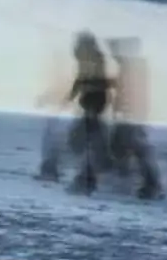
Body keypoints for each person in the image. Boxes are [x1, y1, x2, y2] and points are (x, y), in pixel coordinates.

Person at [40, 32, 117, 191]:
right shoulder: (91, 59)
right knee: (88, 139)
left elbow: (89, 81)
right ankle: (77, 174)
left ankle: (81, 176)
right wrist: (71, 97)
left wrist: (75, 97)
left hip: (93, 104)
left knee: (84, 139)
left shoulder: (93, 59)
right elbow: (82, 79)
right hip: (92, 104)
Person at [106, 36, 165, 200]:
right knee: (122, 146)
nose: (113, 55)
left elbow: (130, 91)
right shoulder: (133, 65)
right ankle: (136, 180)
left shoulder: (131, 66)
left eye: (115, 51)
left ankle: (151, 184)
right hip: (131, 115)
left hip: (131, 116)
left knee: (137, 148)